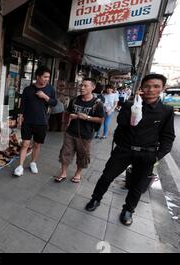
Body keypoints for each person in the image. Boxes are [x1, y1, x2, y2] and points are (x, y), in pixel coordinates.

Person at [85, 74, 175, 226]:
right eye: (147, 86)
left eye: (156, 86)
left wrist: (157, 156)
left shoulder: (166, 111)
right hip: (124, 150)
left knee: (137, 186)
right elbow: (121, 122)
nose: (151, 90)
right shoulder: (130, 104)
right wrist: (134, 104)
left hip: (147, 154)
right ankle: (96, 198)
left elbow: (168, 136)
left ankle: (128, 210)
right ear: (141, 88)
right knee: (106, 176)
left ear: (163, 88)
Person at [54, 78, 105, 183]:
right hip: (70, 132)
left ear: (93, 88)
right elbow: (68, 111)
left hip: (85, 135)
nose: (82, 88)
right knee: (65, 152)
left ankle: (78, 174)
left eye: (85, 86)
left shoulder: (97, 103)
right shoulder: (75, 100)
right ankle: (63, 173)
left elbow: (101, 119)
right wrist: (70, 116)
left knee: (82, 155)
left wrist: (87, 117)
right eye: (81, 85)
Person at [15, 66, 57, 176]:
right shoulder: (28, 89)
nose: (47, 79)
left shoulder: (50, 89)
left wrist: (45, 97)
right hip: (28, 121)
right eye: (45, 77)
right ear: (38, 76)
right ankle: (20, 166)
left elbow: (54, 103)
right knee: (25, 143)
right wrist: (20, 116)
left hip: (41, 121)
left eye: (48, 77)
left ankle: (33, 163)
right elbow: (22, 105)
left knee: (37, 145)